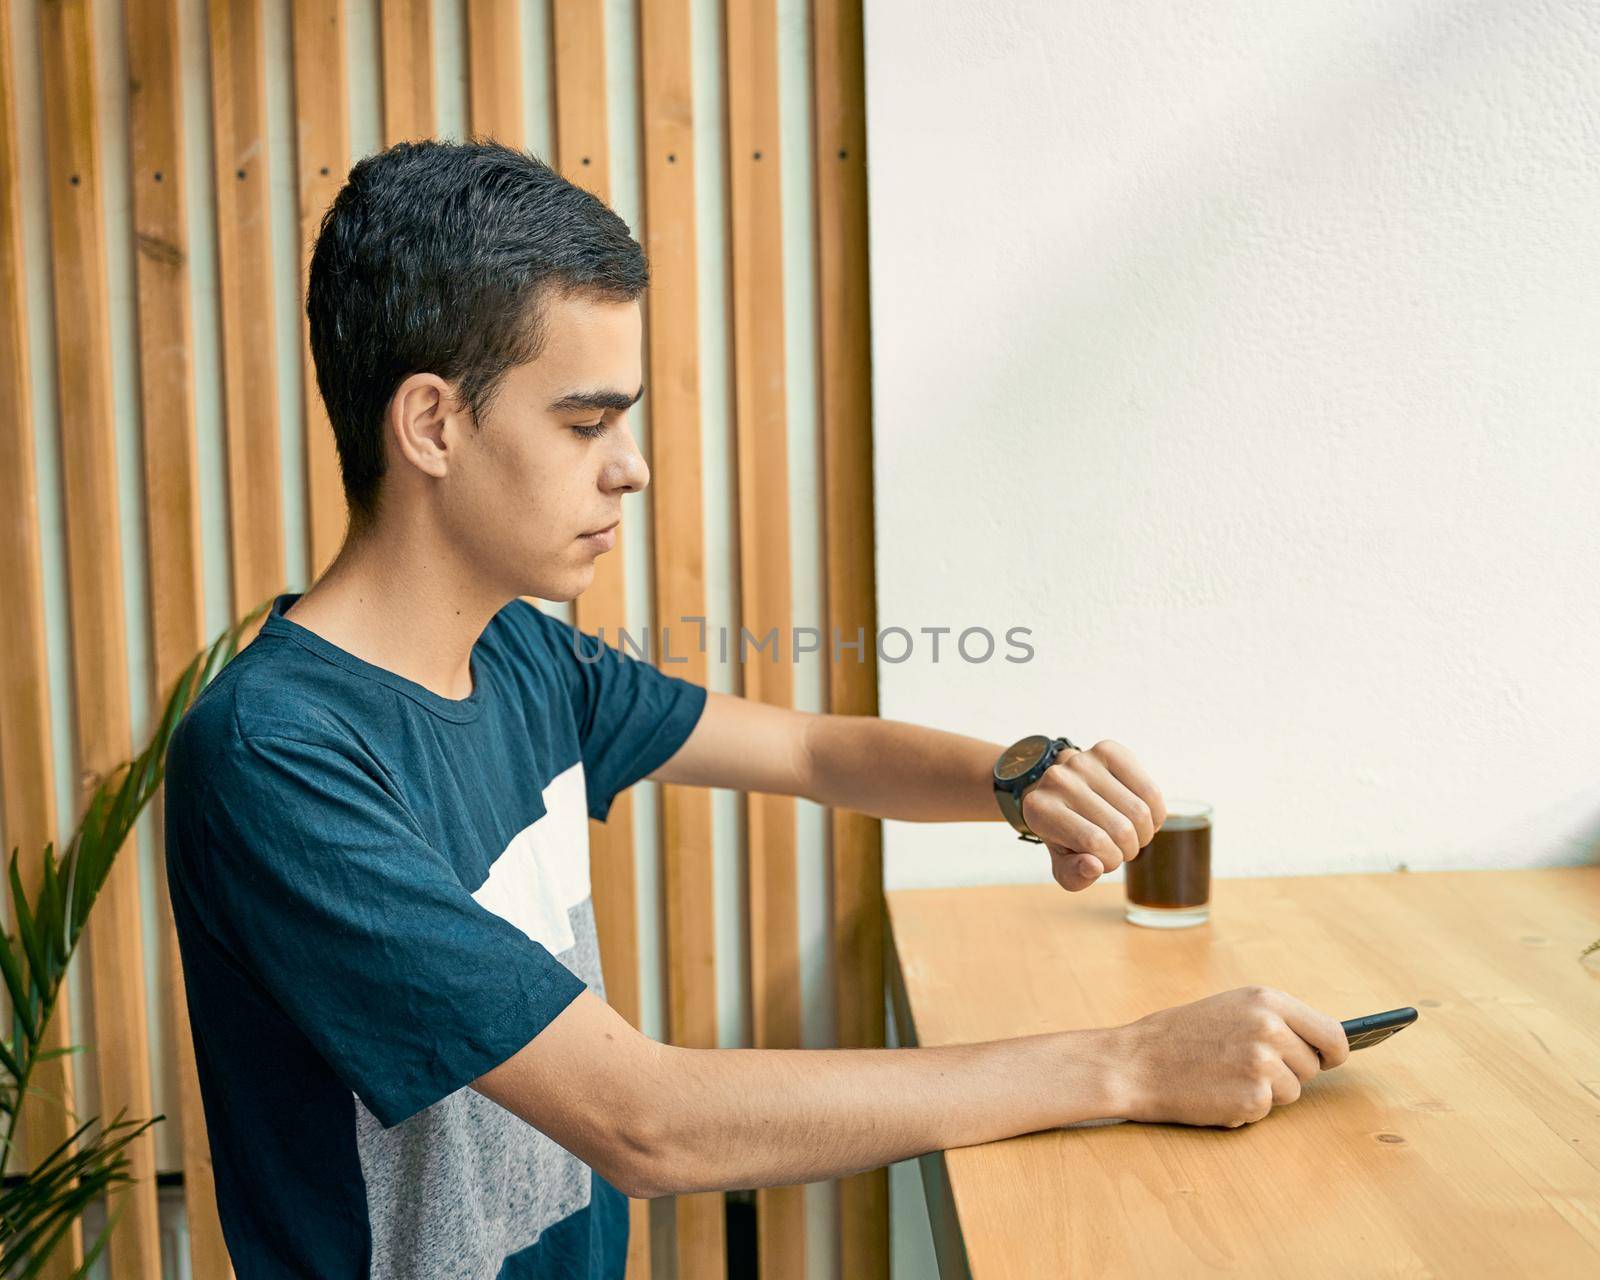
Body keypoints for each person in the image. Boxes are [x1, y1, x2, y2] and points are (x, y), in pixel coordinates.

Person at [163, 139, 1350, 1280]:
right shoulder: (278, 756)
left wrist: (1016, 775)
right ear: (431, 423)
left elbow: (814, 749)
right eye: (585, 423)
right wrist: (1129, 1063)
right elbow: (646, 1121)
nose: (629, 466)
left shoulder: (523, 654)